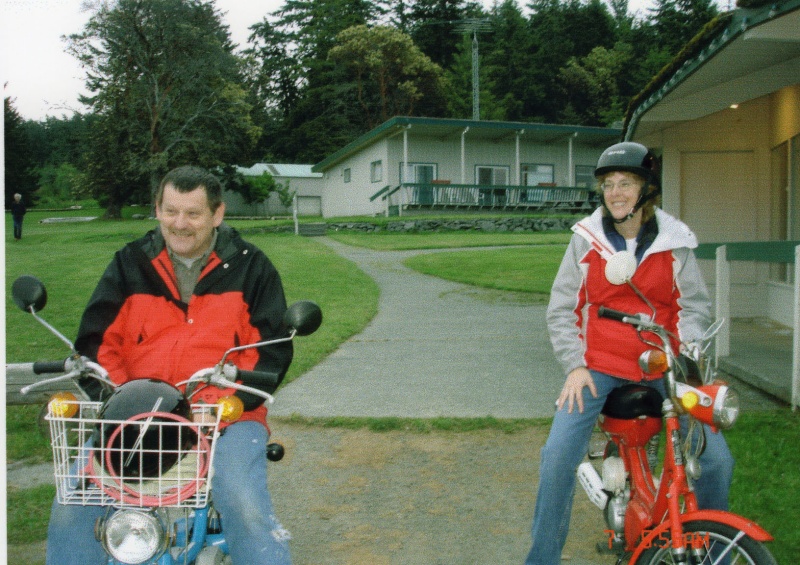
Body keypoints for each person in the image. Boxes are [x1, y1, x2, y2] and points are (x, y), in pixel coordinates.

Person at [46, 165, 294, 565]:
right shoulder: (130, 264)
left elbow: (270, 348)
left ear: (217, 214)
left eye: (193, 213)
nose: (180, 224)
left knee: (243, 502)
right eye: (171, 211)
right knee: (72, 504)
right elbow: (96, 344)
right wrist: (124, 403)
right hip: (135, 418)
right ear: (157, 210)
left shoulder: (252, 268)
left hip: (223, 416)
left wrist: (214, 404)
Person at [524, 142, 734, 564]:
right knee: (557, 457)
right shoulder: (586, 241)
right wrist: (575, 366)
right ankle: (542, 559)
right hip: (598, 366)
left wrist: (687, 350)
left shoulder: (674, 243)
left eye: (626, 183)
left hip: (663, 366)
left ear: (646, 191)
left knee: (716, 461)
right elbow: (561, 309)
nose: (615, 193)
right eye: (608, 185)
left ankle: (716, 553)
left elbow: (695, 306)